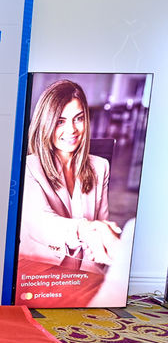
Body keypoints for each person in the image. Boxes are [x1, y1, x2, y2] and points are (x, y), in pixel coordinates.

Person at [19, 79, 120, 274]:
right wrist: (87, 229)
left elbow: (101, 226)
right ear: (46, 123)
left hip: (86, 275)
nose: (72, 129)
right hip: (40, 273)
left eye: (78, 118)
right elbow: (40, 222)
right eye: (60, 121)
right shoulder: (29, 167)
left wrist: (91, 272)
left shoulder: (101, 166)